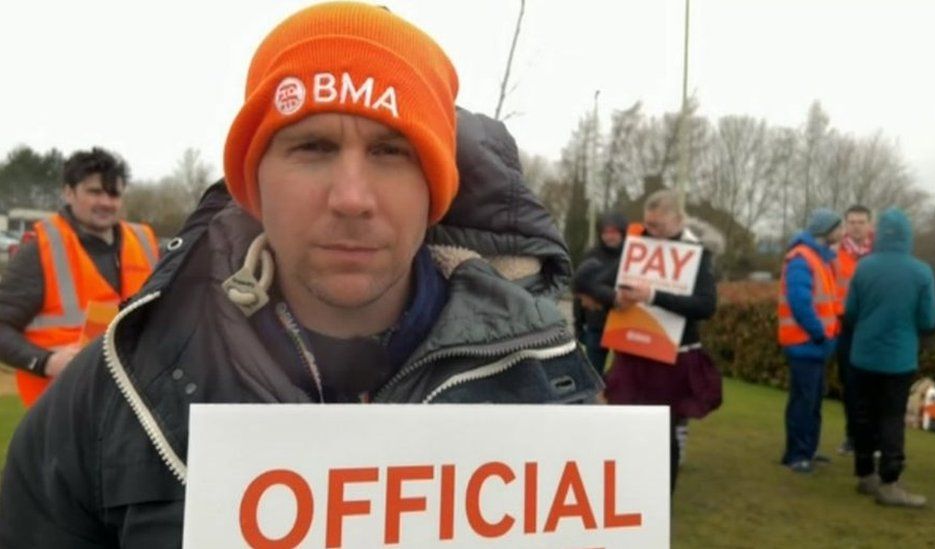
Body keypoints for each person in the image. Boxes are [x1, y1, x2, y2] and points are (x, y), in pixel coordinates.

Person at [0, 4, 601, 546]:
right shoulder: (116, 390)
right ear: (253, 182)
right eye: (312, 147)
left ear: (434, 191)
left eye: (392, 151)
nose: (351, 197)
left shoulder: (550, 382)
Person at [0, 147, 158, 407]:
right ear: (68, 192)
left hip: (129, 406)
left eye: (114, 193)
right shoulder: (40, 248)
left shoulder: (145, 242)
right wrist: (46, 362)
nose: (106, 202)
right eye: (95, 192)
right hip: (59, 409)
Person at [604, 189, 721, 492]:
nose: (652, 232)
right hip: (633, 350)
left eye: (659, 226)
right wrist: (617, 298)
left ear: (679, 220)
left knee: (662, 432)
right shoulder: (638, 247)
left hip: (671, 356)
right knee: (623, 424)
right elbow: (604, 282)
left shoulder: (697, 254)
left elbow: (706, 305)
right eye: (648, 224)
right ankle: (626, 488)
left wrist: (654, 296)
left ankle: (660, 498)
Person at [845, 208, 935, 507]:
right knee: (891, 418)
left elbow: (851, 312)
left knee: (862, 415)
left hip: (862, 355)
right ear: (907, 236)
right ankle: (890, 481)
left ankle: (864, 474)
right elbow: (928, 320)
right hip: (898, 359)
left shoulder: (864, 267)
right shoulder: (921, 271)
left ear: (879, 233)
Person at [778, 208, 843, 473]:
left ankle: (806, 450)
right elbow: (801, 303)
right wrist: (820, 333)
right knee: (805, 402)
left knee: (810, 401)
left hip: (812, 343)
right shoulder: (803, 260)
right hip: (805, 342)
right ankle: (798, 455)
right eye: (838, 228)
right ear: (826, 231)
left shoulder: (816, 258)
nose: (841, 233)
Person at [834, 205, 874, 455]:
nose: (856, 226)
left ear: (870, 225)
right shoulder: (835, 254)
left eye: (861, 222)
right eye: (852, 222)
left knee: (873, 386)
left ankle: (873, 437)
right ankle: (851, 435)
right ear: (846, 225)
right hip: (844, 327)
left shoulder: (879, 254)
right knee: (850, 385)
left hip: (872, 326)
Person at [573, 211, 628, 374]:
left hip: (624, 324)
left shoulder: (632, 255)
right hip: (596, 325)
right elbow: (579, 293)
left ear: (622, 232)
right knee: (592, 374)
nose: (609, 237)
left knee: (622, 376)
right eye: (605, 233)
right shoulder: (591, 255)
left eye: (613, 233)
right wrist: (578, 324)